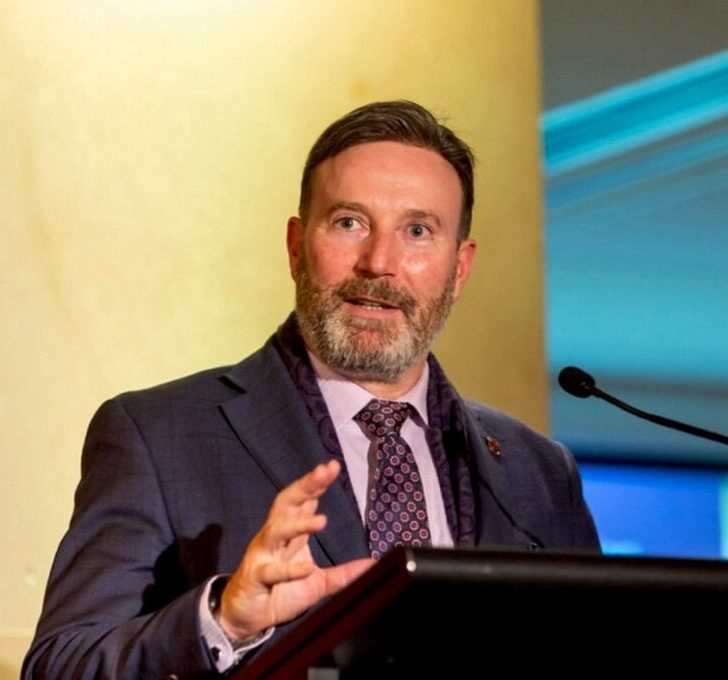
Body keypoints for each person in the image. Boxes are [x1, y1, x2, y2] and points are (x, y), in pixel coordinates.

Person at [22, 99, 600, 679]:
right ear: (296, 246)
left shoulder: (539, 473)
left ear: (459, 270)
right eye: (350, 222)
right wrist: (224, 621)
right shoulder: (158, 435)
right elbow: (60, 665)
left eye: (418, 231)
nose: (379, 262)